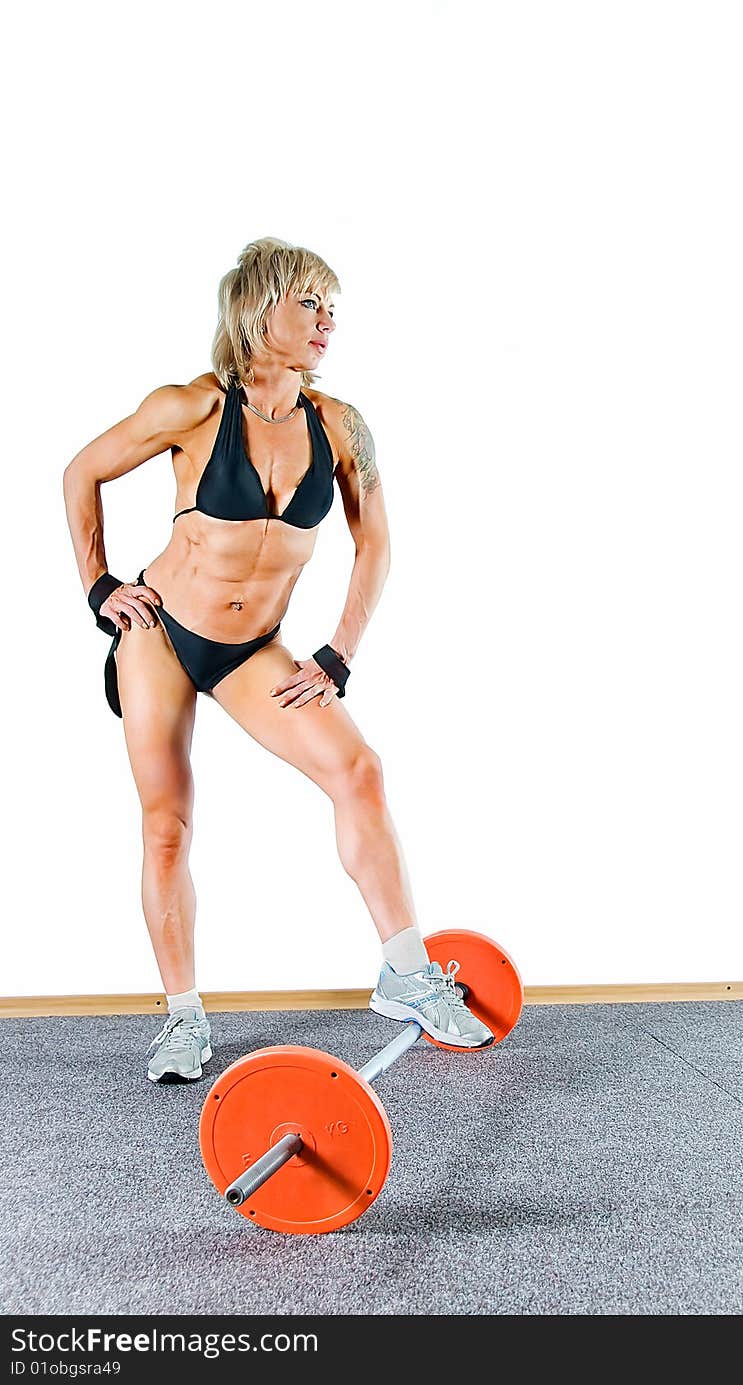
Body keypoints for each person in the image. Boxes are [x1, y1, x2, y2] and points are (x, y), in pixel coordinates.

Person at [63, 236, 493, 1082]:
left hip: (253, 649)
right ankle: (183, 1021)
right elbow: (81, 472)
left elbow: (376, 546)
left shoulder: (340, 425)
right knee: (166, 826)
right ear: (261, 311)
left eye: (333, 307)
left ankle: (405, 971)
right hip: (158, 634)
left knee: (358, 769)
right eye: (311, 305)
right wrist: (99, 587)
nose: (329, 322)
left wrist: (338, 652)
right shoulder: (188, 406)